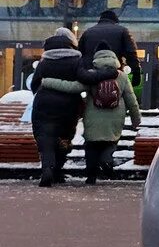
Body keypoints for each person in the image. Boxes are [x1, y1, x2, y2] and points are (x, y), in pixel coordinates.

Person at [39, 41, 140, 185]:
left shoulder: (92, 75)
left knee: (91, 146)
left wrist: (48, 82)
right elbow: (131, 100)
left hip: (93, 116)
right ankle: (106, 159)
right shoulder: (122, 76)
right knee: (110, 142)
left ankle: (91, 176)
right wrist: (136, 119)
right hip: (115, 118)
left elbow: (72, 87)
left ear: (96, 57)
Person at [29, 28, 85, 187]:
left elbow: (35, 84)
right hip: (68, 105)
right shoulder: (77, 60)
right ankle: (58, 170)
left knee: (45, 137)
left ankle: (47, 168)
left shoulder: (44, 61)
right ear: (71, 43)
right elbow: (83, 80)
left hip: (44, 103)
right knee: (64, 137)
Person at [79, 10, 142, 88]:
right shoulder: (122, 31)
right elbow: (131, 53)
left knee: (92, 98)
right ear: (115, 20)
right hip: (113, 75)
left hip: (92, 75)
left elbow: (80, 55)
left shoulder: (88, 32)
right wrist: (136, 73)